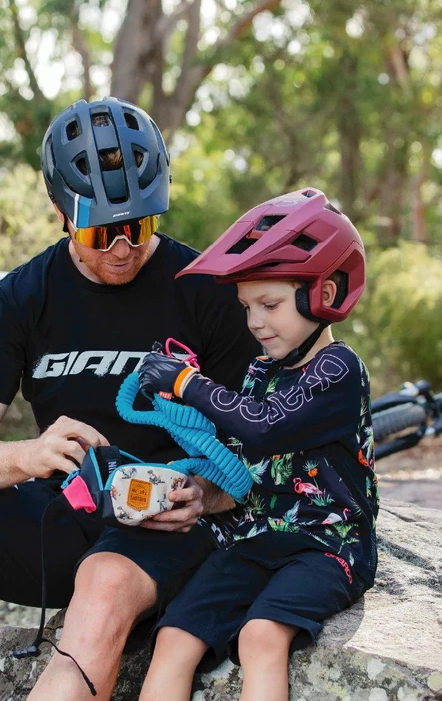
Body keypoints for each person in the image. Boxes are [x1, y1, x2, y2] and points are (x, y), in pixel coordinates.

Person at [0, 96, 260, 701]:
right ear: (60, 210)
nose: (124, 246)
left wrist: (202, 497)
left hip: (169, 529)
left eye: (141, 224)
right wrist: (28, 455)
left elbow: (254, 447)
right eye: (102, 231)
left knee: (102, 584)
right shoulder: (21, 297)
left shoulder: (207, 293)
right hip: (66, 509)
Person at [137, 188, 379, 701]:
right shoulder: (257, 371)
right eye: (247, 306)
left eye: (268, 304)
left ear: (326, 293)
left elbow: (265, 426)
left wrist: (186, 384)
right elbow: (237, 449)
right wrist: (177, 416)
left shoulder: (338, 369)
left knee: (260, 636)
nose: (254, 322)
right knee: (174, 637)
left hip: (326, 546)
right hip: (255, 537)